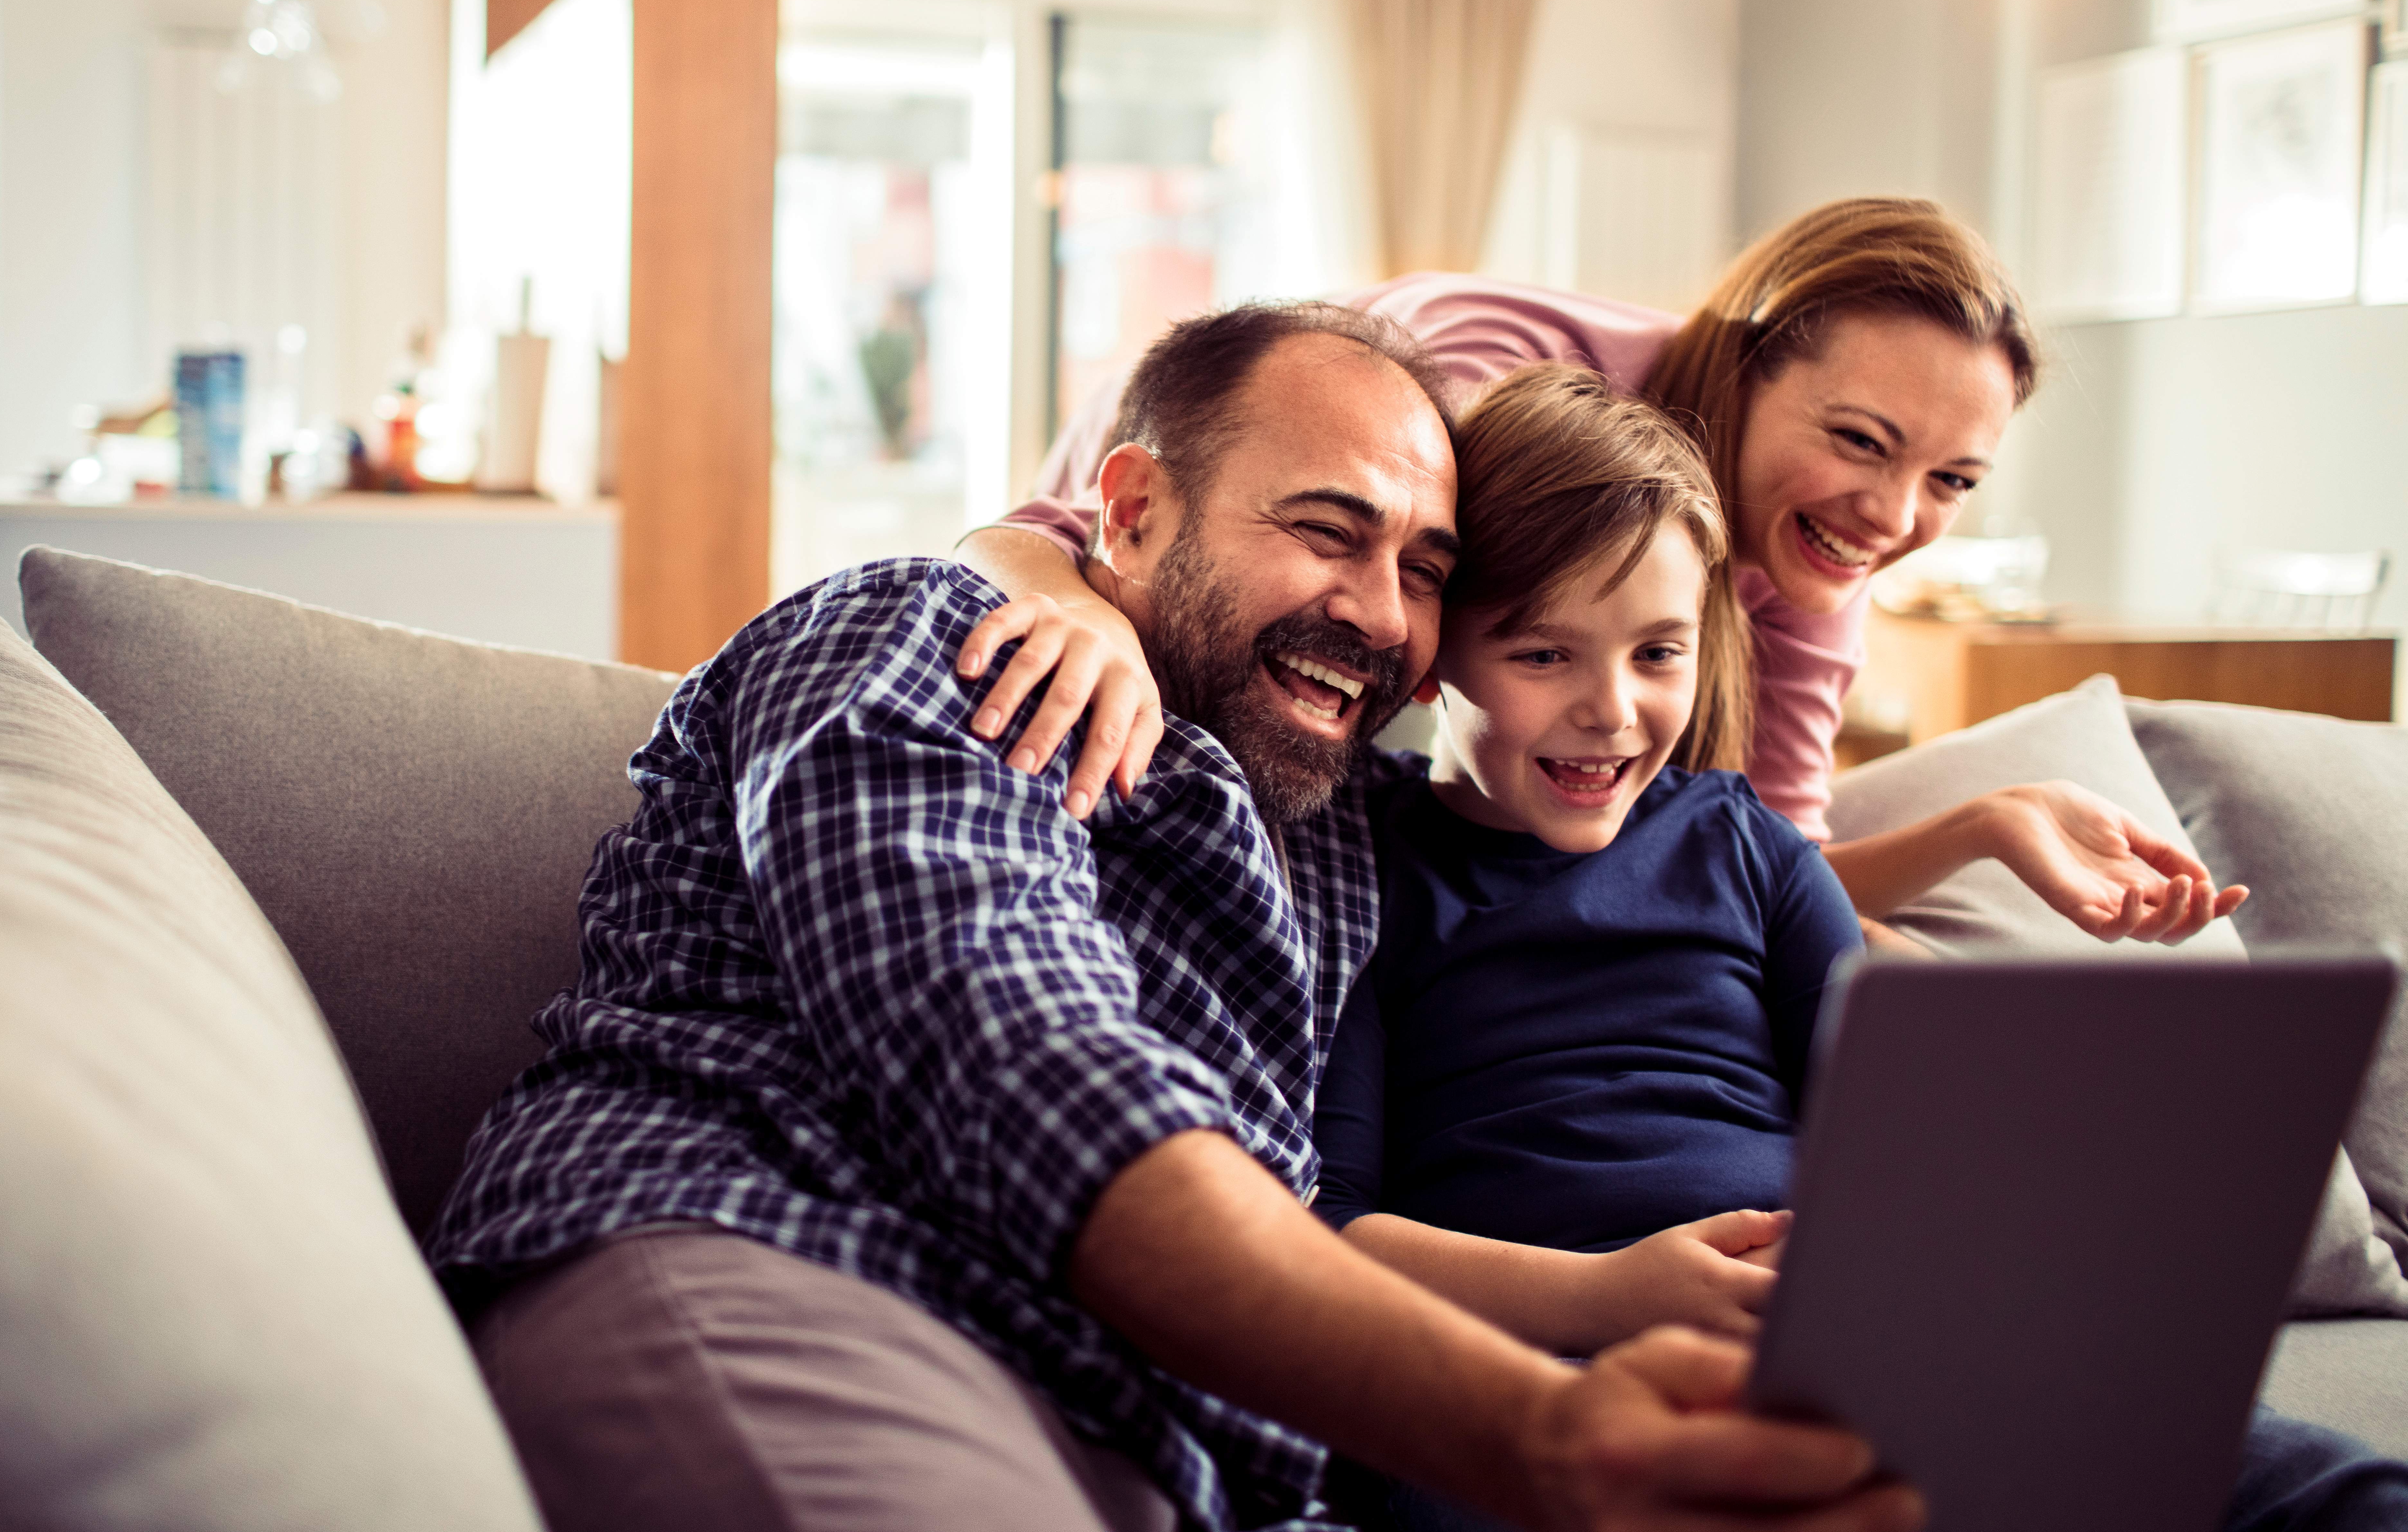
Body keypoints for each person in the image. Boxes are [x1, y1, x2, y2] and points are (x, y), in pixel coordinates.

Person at [427, 304, 1923, 1532]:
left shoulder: (1349, 823)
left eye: (1425, 568)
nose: (1379, 612)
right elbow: (1026, 1071)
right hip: (805, 1268)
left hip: (1182, 1448)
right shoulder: (938, 641)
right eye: (1328, 530)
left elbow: (1628, 839)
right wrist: (1536, 1429)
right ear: (1131, 508)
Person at [1311, 364, 2407, 1532]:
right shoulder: (1364, 865)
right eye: (1544, 653)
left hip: (1828, 1344)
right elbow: (1330, 1235)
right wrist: (1609, 1295)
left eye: (1659, 653)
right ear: (1432, 651)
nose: (1611, 710)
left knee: (2341, 1499)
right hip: (1537, 1372)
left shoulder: (1742, 844)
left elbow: (1900, 1124)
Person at [951, 198, 2246, 948]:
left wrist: (1982, 829)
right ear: (1741, 363)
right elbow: (1037, 530)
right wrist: (1086, 614)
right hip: (1161, 563)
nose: (1894, 513)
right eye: (1860, 440)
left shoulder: (1806, 576)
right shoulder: (1488, 387)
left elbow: (1773, 866)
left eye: (1952, 481)